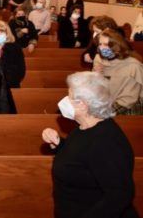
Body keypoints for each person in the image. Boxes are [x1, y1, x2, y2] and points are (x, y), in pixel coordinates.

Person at [41, 72, 139, 218]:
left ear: (83, 105)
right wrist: (58, 143)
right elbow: (81, 158)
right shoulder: (86, 127)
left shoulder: (106, 142)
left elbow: (120, 194)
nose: (65, 100)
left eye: (70, 96)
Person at [93, 29, 143, 115]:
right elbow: (96, 91)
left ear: (116, 46)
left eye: (106, 44)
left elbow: (128, 99)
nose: (102, 48)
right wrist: (95, 75)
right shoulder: (99, 61)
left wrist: (104, 113)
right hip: (105, 107)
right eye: (100, 44)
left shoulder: (133, 66)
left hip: (128, 112)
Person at [0, 21, 26, 88]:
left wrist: (6, 84)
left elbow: (21, 70)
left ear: (7, 34)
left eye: (2, 32)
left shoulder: (15, 49)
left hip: (10, 86)